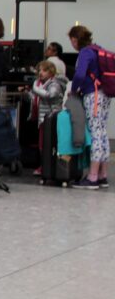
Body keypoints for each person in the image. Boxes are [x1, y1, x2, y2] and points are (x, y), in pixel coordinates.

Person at [68, 25, 110, 189]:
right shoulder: (98, 49)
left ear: (75, 39)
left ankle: (92, 177)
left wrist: (73, 90)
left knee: (95, 134)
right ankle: (102, 175)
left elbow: (79, 74)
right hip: (104, 94)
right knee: (102, 132)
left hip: (93, 95)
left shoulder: (85, 52)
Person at [24, 60, 67, 176]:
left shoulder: (54, 84)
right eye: (39, 70)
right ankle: (45, 166)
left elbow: (50, 95)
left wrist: (34, 88)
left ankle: (50, 166)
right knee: (42, 144)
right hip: (43, 120)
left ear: (51, 71)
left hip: (52, 119)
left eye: (44, 70)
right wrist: (28, 92)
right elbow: (36, 97)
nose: (40, 73)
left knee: (49, 144)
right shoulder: (40, 84)